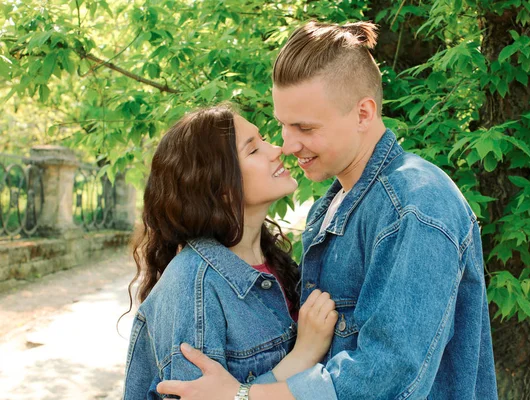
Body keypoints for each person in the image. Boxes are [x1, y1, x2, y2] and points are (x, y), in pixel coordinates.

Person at [157, 21, 498, 400]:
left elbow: (387, 374)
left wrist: (243, 397)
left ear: (363, 114)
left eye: (304, 127)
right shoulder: (331, 207)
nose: (287, 145)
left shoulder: (416, 206)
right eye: (283, 125)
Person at [122, 105, 339, 399]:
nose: (276, 149)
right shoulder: (193, 287)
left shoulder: (274, 261)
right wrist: (303, 354)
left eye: (263, 140)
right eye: (253, 150)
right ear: (219, 185)